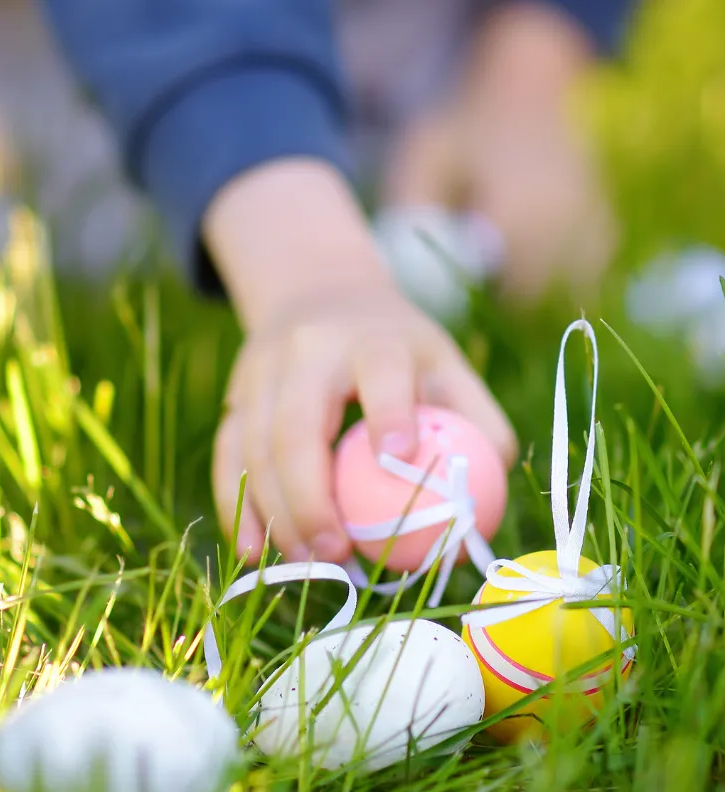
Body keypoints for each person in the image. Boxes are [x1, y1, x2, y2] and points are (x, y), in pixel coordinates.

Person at [40, 0, 636, 565]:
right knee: (99, 230)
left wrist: (528, 72)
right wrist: (314, 271)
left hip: (417, 51)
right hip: (126, 53)